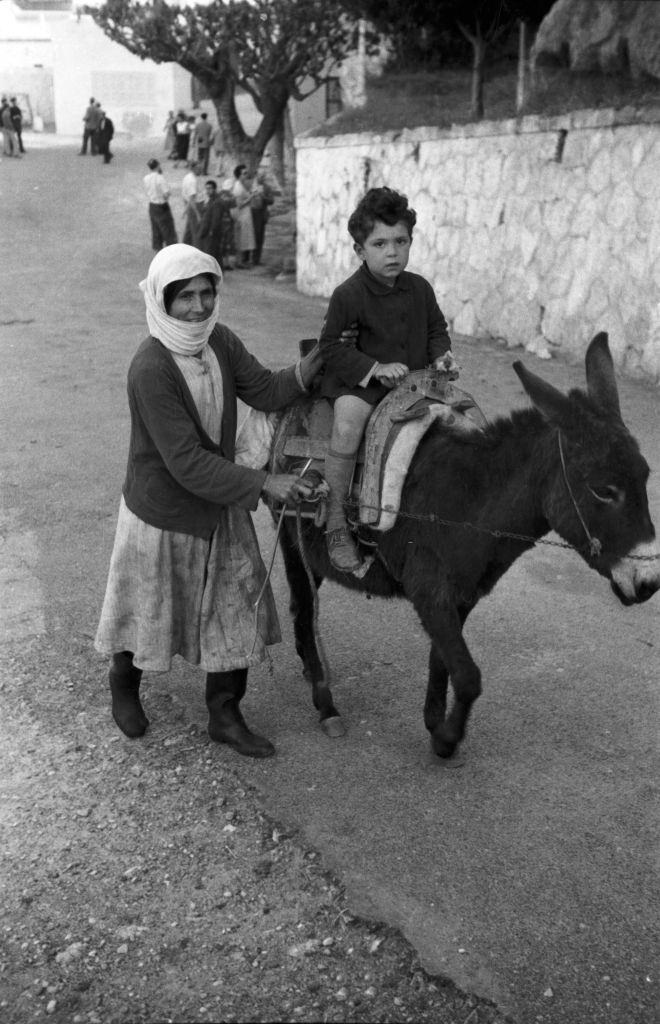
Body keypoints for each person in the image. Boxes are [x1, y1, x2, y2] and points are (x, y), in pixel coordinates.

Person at [94, 244, 323, 757]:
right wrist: (263, 483)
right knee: (147, 607)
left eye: (207, 292)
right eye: (185, 297)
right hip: (162, 513)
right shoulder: (150, 367)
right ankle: (124, 685)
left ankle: (225, 714)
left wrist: (311, 367)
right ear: (162, 300)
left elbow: (264, 389)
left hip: (219, 503)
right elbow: (186, 462)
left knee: (235, 608)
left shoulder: (219, 341)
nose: (198, 307)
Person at [319, 186, 457, 572]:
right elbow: (331, 346)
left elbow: (436, 329)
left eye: (401, 241)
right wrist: (374, 369)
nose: (392, 252)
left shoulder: (420, 288)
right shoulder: (348, 294)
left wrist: (441, 355)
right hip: (360, 383)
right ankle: (335, 524)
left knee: (456, 421)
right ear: (360, 250)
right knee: (348, 424)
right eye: (379, 244)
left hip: (413, 381)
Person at [197, 179, 236, 271]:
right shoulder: (212, 200)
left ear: (214, 189)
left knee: (211, 252)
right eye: (206, 189)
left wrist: (212, 231)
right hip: (210, 230)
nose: (207, 191)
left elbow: (216, 219)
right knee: (215, 253)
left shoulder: (217, 202)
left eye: (210, 188)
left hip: (213, 232)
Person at [143, 158, 178, 250]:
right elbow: (166, 194)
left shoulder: (146, 178)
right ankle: (171, 250)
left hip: (152, 205)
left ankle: (157, 250)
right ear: (158, 166)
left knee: (156, 230)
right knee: (168, 230)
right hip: (161, 206)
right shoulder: (160, 178)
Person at [231, 164, 256, 268]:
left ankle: (241, 261)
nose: (246, 175)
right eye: (244, 173)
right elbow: (239, 204)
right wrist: (250, 198)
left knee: (244, 237)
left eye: (246, 173)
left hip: (245, 214)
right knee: (241, 237)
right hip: (242, 215)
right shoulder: (238, 187)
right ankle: (239, 261)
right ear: (239, 175)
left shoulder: (242, 185)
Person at [250, 171, 276, 266]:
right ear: (256, 176)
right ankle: (246, 258)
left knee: (259, 236)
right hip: (250, 213)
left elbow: (271, 200)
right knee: (249, 235)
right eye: (259, 176)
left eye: (263, 177)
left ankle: (256, 259)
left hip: (261, 213)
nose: (261, 178)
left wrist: (263, 196)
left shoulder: (267, 187)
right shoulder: (250, 185)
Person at [181, 161, 203, 245]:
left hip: (190, 206)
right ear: (194, 168)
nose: (201, 170)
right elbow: (192, 199)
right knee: (196, 232)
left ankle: (184, 247)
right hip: (195, 207)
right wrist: (198, 214)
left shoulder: (187, 177)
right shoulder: (192, 180)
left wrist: (186, 208)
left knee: (189, 231)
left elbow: (184, 194)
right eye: (199, 168)